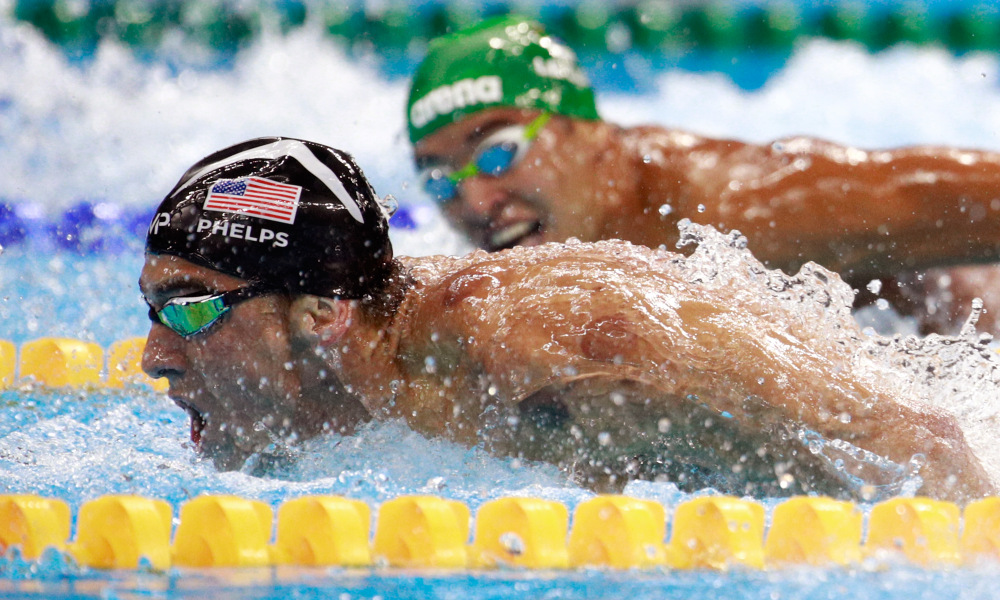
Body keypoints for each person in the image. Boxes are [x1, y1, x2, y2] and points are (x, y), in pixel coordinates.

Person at [140, 136, 994, 503]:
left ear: (323, 311)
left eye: (192, 309)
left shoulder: (537, 340)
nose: (155, 358)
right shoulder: (378, 360)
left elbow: (917, 442)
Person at [406, 16, 1000, 335]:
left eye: (497, 153)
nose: (475, 199)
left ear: (588, 131)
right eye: (439, 179)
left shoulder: (730, 203)